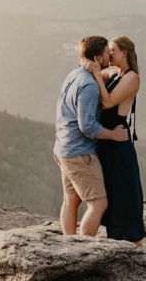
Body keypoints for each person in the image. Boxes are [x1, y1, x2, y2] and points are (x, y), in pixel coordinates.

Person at [54, 36, 129, 237]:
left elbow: (102, 75)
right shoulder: (89, 87)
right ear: (97, 58)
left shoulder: (75, 75)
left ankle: (68, 245)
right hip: (80, 153)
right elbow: (87, 126)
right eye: (107, 53)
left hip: (63, 148)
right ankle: (82, 254)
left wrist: (112, 71)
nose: (110, 56)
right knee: (98, 203)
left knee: (71, 199)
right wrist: (113, 134)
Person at [82, 36, 145, 246]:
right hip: (106, 142)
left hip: (118, 143)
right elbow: (98, 76)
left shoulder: (132, 78)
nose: (109, 54)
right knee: (112, 197)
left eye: (112, 50)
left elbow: (107, 102)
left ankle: (137, 250)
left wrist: (97, 74)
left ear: (124, 52)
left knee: (124, 197)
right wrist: (91, 66)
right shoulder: (115, 74)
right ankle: (116, 245)